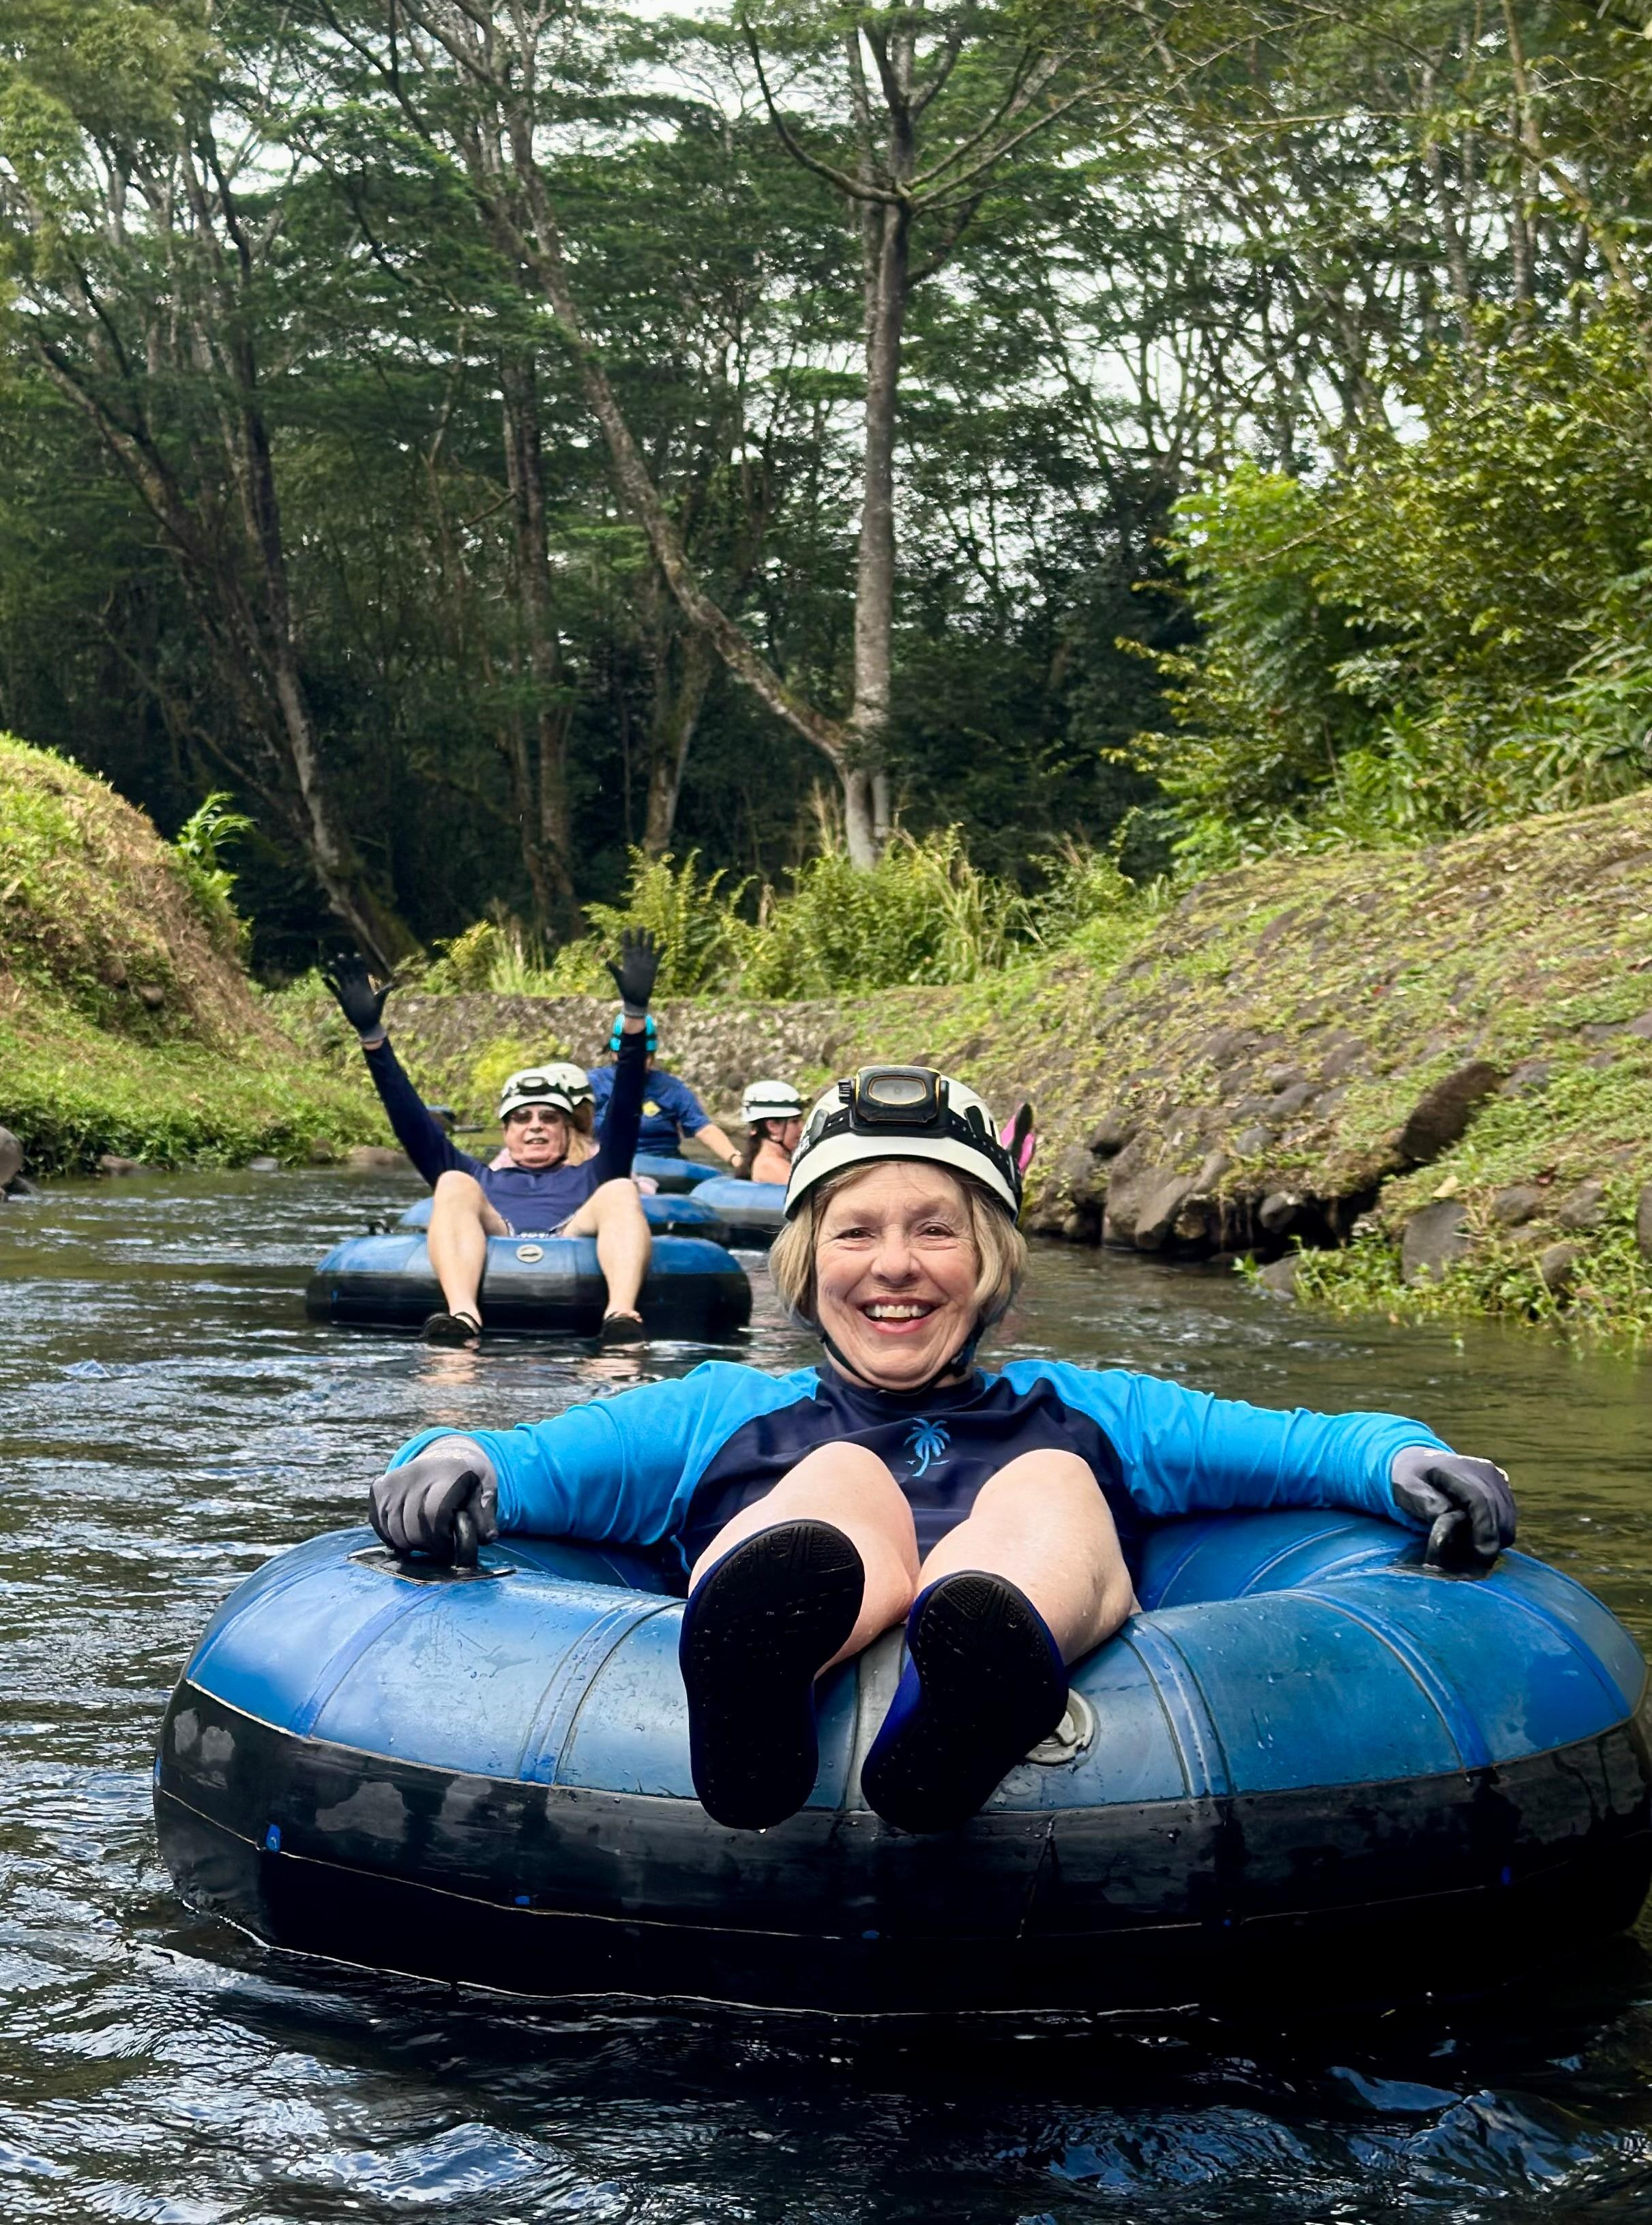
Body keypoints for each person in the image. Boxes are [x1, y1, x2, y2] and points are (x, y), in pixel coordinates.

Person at [366, 1063, 1517, 1834]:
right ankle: (754, 1683)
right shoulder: (716, 1407)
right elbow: (532, 1461)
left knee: (1051, 1482)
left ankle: (967, 1687)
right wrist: (450, 1455)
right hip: (810, 1553)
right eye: (857, 1233)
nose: (896, 1264)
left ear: (994, 1265)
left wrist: (1402, 1459)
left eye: (936, 1232)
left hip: (1011, 1588)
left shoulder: (1091, 1406)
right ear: (808, 1270)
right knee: (837, 1480)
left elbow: (1298, 1447)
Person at [324, 931, 662, 1347]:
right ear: (506, 1131)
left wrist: (634, 1016)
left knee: (621, 1190)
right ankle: (463, 1314)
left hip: (573, 1230)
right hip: (499, 1227)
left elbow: (627, 1104)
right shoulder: (480, 1176)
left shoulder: (597, 1171)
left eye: (548, 1117)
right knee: (450, 1182)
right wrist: (373, 1038)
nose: (535, 1125)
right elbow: (413, 1124)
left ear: (568, 1127)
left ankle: (620, 1315)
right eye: (521, 1118)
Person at [587, 1016, 740, 1167]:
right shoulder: (594, 1083)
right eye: (631, 1056)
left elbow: (703, 1128)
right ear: (615, 1054)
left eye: (644, 1056)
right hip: (609, 1163)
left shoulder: (670, 1088)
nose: (638, 1063)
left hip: (664, 1166)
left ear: (652, 1056)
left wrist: (735, 1158)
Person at [735, 1078, 805, 1184]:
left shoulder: (761, 1161)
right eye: (795, 1122)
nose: (802, 1128)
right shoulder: (770, 1165)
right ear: (772, 1127)